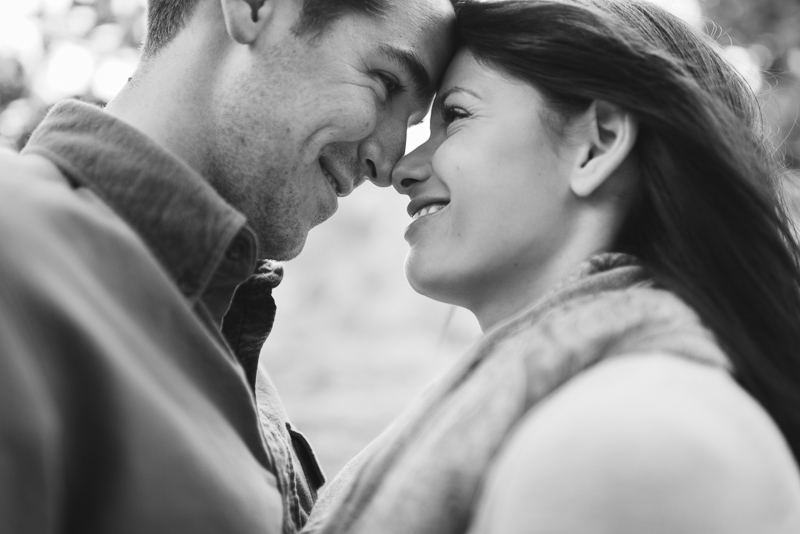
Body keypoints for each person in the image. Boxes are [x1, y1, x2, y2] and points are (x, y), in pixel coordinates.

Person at [300, 1, 800, 533]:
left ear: (598, 145)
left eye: (457, 116)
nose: (402, 169)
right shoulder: (587, 410)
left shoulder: (628, 438)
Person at [0, 0, 455, 532]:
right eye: (385, 83)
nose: (389, 163)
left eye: (414, 123)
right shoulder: (17, 255)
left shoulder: (234, 352)